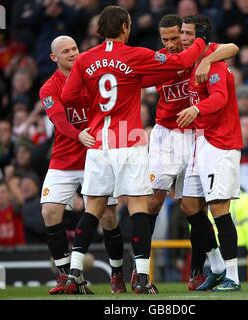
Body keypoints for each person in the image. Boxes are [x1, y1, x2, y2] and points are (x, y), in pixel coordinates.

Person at [61, 5, 207, 294]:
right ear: (125, 28)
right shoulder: (136, 55)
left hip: (99, 143)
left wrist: (92, 104)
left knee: (93, 209)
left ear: (100, 29)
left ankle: (72, 274)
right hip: (128, 141)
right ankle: (141, 278)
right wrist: (201, 40)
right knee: (139, 206)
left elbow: (67, 97)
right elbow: (181, 62)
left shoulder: (85, 60)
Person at [142, 13, 239, 291]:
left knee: (199, 205)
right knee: (160, 202)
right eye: (171, 38)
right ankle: (141, 271)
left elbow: (233, 47)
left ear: (197, 37)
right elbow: (136, 76)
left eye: (183, 35)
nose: (177, 42)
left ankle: (201, 271)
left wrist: (208, 59)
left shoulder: (207, 56)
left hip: (200, 136)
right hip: (169, 134)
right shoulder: (162, 59)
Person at [39, 35, 126, 295]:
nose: (72, 53)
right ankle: (66, 277)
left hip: (96, 157)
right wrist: (78, 134)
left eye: (74, 48)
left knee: (108, 216)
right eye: (65, 51)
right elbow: (58, 119)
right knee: (49, 212)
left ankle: (117, 274)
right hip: (64, 158)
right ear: (54, 57)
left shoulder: (93, 77)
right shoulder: (49, 88)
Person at [177, 15, 244, 291]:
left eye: (188, 33)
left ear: (201, 36)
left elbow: (220, 98)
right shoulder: (196, 58)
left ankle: (233, 276)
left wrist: (196, 109)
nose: (183, 38)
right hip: (200, 141)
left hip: (220, 142)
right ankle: (215, 265)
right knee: (189, 205)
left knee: (219, 208)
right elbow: (232, 47)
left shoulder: (214, 61)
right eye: (182, 32)